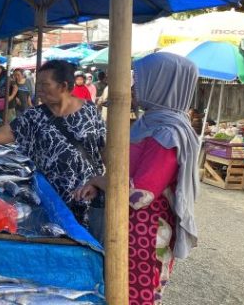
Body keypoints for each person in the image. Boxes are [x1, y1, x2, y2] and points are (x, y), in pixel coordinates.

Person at [74, 52, 200, 305]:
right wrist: (100, 184)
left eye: (141, 78)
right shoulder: (150, 122)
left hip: (146, 232)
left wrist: (99, 180)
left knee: (135, 297)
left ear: (161, 83)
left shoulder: (168, 133)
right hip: (130, 226)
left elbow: (140, 195)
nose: (134, 86)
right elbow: (127, 174)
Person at [0, 60, 105, 223]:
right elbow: (0, 134)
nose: (39, 90)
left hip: (88, 194)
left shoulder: (90, 112)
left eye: (45, 85)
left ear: (63, 86)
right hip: (49, 197)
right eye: (39, 84)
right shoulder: (34, 116)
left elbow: (105, 150)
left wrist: (100, 182)